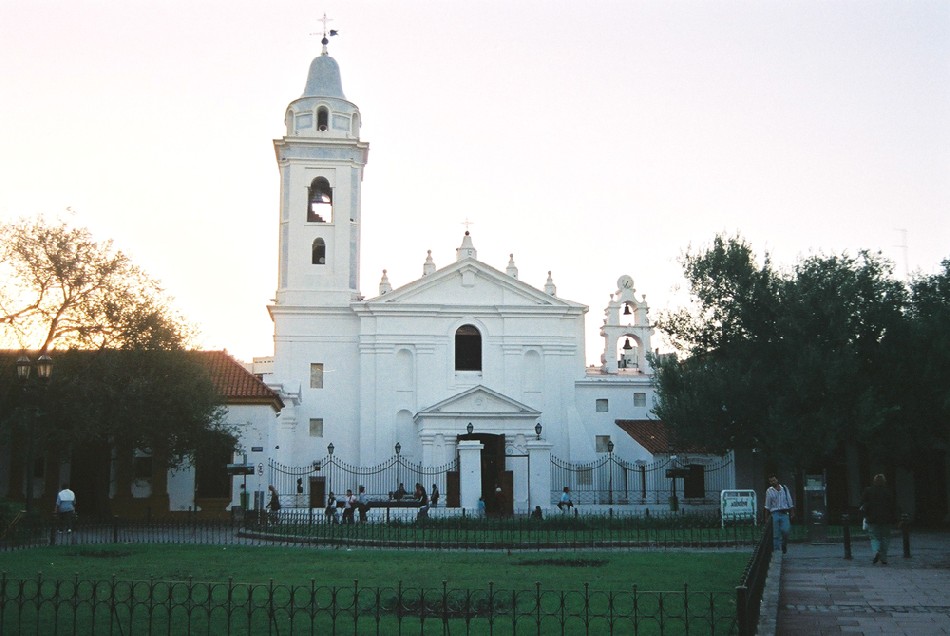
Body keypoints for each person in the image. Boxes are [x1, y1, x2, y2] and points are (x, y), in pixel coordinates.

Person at [861, 473, 898, 565]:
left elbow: (863, 502)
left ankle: (876, 551)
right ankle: (884, 557)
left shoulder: (868, 490)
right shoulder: (888, 491)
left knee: (874, 537)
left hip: (872, 518)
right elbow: (893, 505)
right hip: (886, 518)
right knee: (885, 537)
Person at [764, 475, 794, 554]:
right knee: (776, 534)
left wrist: (792, 511)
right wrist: (766, 517)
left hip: (784, 513)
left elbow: (789, 500)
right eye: (771, 481)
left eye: (774, 480)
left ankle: (784, 544)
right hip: (775, 513)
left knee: (786, 530)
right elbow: (767, 505)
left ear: (777, 480)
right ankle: (777, 551)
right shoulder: (769, 491)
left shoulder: (784, 488)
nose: (773, 482)